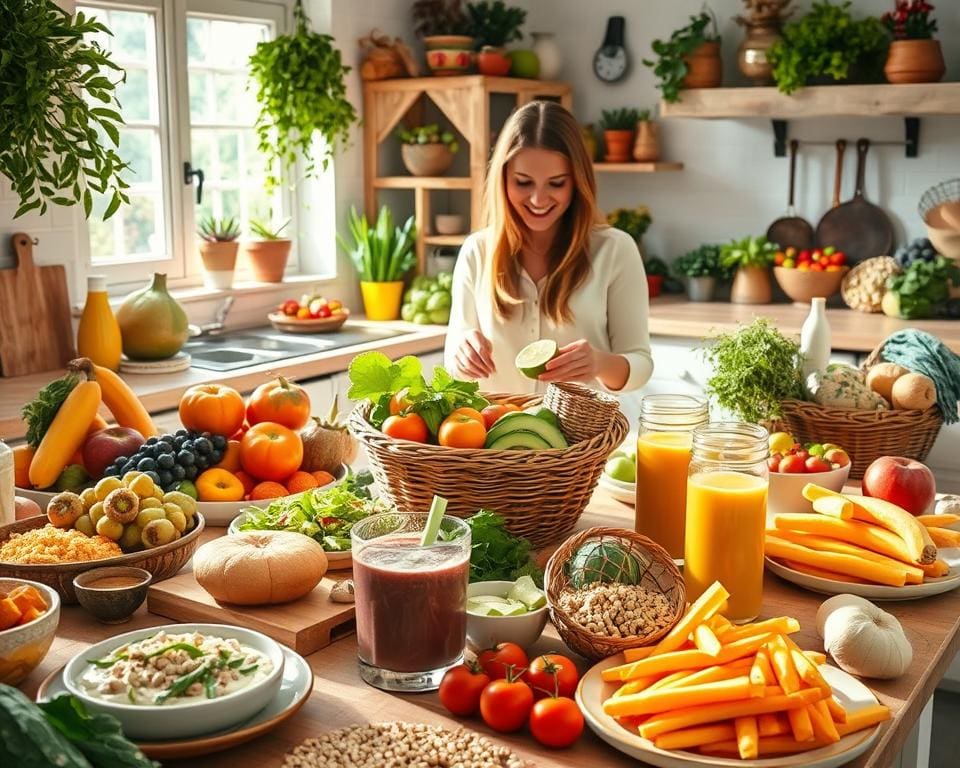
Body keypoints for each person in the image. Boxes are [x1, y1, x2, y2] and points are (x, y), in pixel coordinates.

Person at [444, 100, 654, 395]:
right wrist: (462, 354)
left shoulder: (616, 250)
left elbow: (640, 363)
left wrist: (599, 363)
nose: (538, 199)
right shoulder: (477, 251)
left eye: (556, 183)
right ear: (503, 180)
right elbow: (453, 357)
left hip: (584, 438)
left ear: (577, 183)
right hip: (494, 436)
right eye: (523, 182)